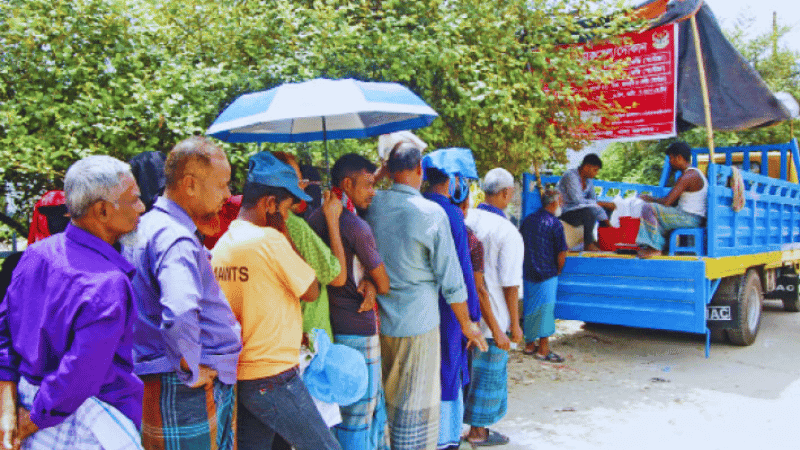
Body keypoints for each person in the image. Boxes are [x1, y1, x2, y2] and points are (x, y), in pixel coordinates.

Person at [0, 155, 146, 449]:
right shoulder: (107, 283)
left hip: (30, 409)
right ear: (102, 210)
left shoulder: (36, 254)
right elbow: (80, 373)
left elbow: (5, 336)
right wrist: (28, 422)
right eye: (134, 200)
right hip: (77, 422)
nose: (141, 208)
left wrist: (8, 413)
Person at [210, 152, 341, 450]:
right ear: (269, 203)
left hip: (241, 375)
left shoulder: (224, 244)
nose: (286, 216)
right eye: (284, 208)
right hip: (274, 376)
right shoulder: (270, 240)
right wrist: (283, 232)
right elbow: (311, 290)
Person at [365, 143, 486, 450]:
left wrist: (383, 171)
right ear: (419, 170)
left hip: (379, 321)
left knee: (387, 401)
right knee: (414, 409)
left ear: (389, 171)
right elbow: (452, 281)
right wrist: (467, 325)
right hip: (418, 324)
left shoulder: (372, 205)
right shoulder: (430, 213)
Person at [125, 136, 242, 450]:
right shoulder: (174, 237)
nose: (227, 195)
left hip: (170, 379)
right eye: (222, 185)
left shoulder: (148, 227)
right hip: (185, 387)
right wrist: (189, 364)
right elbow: (178, 311)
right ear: (190, 185)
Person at [307, 153, 390, 450]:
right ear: (347, 183)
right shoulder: (355, 227)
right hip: (359, 327)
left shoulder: (312, 221)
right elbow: (384, 283)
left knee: (338, 413)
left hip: (327, 329)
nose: (373, 191)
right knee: (361, 411)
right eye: (368, 184)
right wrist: (371, 279)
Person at [421, 150, 482, 450]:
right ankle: (445, 439)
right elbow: (463, 273)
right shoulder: (452, 215)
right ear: (455, 180)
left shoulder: (417, 206)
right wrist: (472, 317)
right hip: (450, 311)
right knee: (449, 370)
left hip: (421, 308)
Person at [463, 167, 525, 447]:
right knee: (488, 379)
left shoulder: (467, 218)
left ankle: (460, 427)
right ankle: (478, 432)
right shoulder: (507, 230)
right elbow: (511, 285)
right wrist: (514, 325)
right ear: (505, 193)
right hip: (493, 320)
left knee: (467, 376)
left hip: (463, 316)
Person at [273, 151, 346, 339]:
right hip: (311, 336)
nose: (303, 186)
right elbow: (337, 278)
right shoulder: (294, 227)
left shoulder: (256, 224)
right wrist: (332, 221)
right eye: (298, 180)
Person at [520, 189, 568, 363]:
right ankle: (544, 349)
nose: (561, 205)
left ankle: (529, 345)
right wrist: (559, 270)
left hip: (528, 272)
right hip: (547, 273)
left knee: (531, 308)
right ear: (554, 203)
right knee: (546, 310)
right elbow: (562, 252)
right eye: (560, 201)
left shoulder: (528, 221)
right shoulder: (555, 224)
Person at [636, 142, 707, 258]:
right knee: (657, 213)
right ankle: (659, 246)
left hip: (690, 218)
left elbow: (667, 202)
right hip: (692, 217)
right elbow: (672, 202)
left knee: (648, 208)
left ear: (679, 157)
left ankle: (654, 248)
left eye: (671, 158)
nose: (670, 162)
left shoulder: (687, 177)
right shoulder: (693, 174)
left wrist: (647, 198)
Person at [557, 153, 615, 251]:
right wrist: (601, 205)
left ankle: (604, 240)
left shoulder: (588, 181)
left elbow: (593, 199)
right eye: (595, 170)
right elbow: (577, 200)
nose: (596, 173)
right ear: (587, 167)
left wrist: (604, 206)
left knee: (607, 208)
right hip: (566, 212)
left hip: (580, 210)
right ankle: (588, 244)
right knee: (589, 212)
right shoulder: (570, 176)